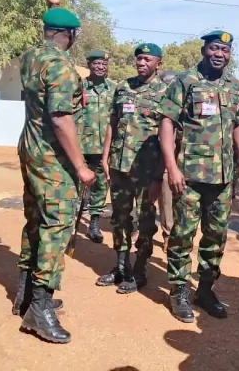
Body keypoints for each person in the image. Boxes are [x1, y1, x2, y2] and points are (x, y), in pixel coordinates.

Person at [14, 0, 95, 343]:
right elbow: (62, 118)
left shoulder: (32, 56)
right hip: (53, 157)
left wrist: (54, 7)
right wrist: (80, 167)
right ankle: (40, 308)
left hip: (30, 149)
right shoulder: (61, 65)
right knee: (57, 224)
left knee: (35, 219)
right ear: (69, 35)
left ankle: (25, 295)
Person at [159, 30, 239, 323]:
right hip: (188, 175)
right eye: (214, 48)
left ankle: (206, 289)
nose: (219, 54)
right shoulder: (186, 81)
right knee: (183, 234)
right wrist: (171, 167)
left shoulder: (234, 87)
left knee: (216, 236)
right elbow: (166, 123)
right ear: (204, 50)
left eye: (225, 51)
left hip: (223, 177)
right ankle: (179, 291)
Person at [97, 43, 167, 293]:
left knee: (146, 221)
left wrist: (160, 174)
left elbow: (171, 137)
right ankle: (121, 266)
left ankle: (140, 269)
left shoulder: (166, 92)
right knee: (120, 218)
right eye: (138, 58)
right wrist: (105, 156)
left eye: (147, 59)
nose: (141, 62)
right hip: (119, 164)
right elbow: (112, 124)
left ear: (159, 63)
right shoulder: (123, 87)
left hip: (147, 168)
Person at [80, 50, 116, 244]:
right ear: (89, 65)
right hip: (82, 145)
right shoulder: (80, 86)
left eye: (104, 64)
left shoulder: (114, 89)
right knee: (78, 185)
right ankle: (70, 222)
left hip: (104, 148)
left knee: (101, 185)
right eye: (97, 63)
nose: (101, 67)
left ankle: (94, 223)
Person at [157, 70, 179, 253]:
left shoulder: (181, 100)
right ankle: (168, 234)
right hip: (157, 156)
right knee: (165, 196)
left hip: (182, 156)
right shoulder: (155, 99)